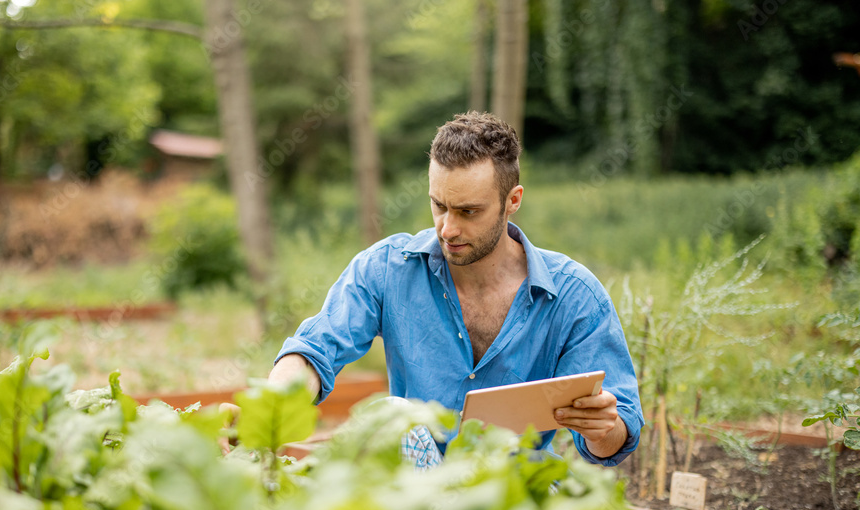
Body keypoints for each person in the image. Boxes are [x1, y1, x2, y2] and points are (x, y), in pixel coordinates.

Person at [269, 111, 643, 466]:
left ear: (512, 201)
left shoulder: (574, 297)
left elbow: (615, 434)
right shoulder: (387, 268)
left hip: (510, 490)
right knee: (394, 417)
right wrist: (270, 404)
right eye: (438, 206)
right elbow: (316, 349)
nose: (447, 228)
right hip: (412, 486)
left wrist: (603, 428)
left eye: (468, 212)